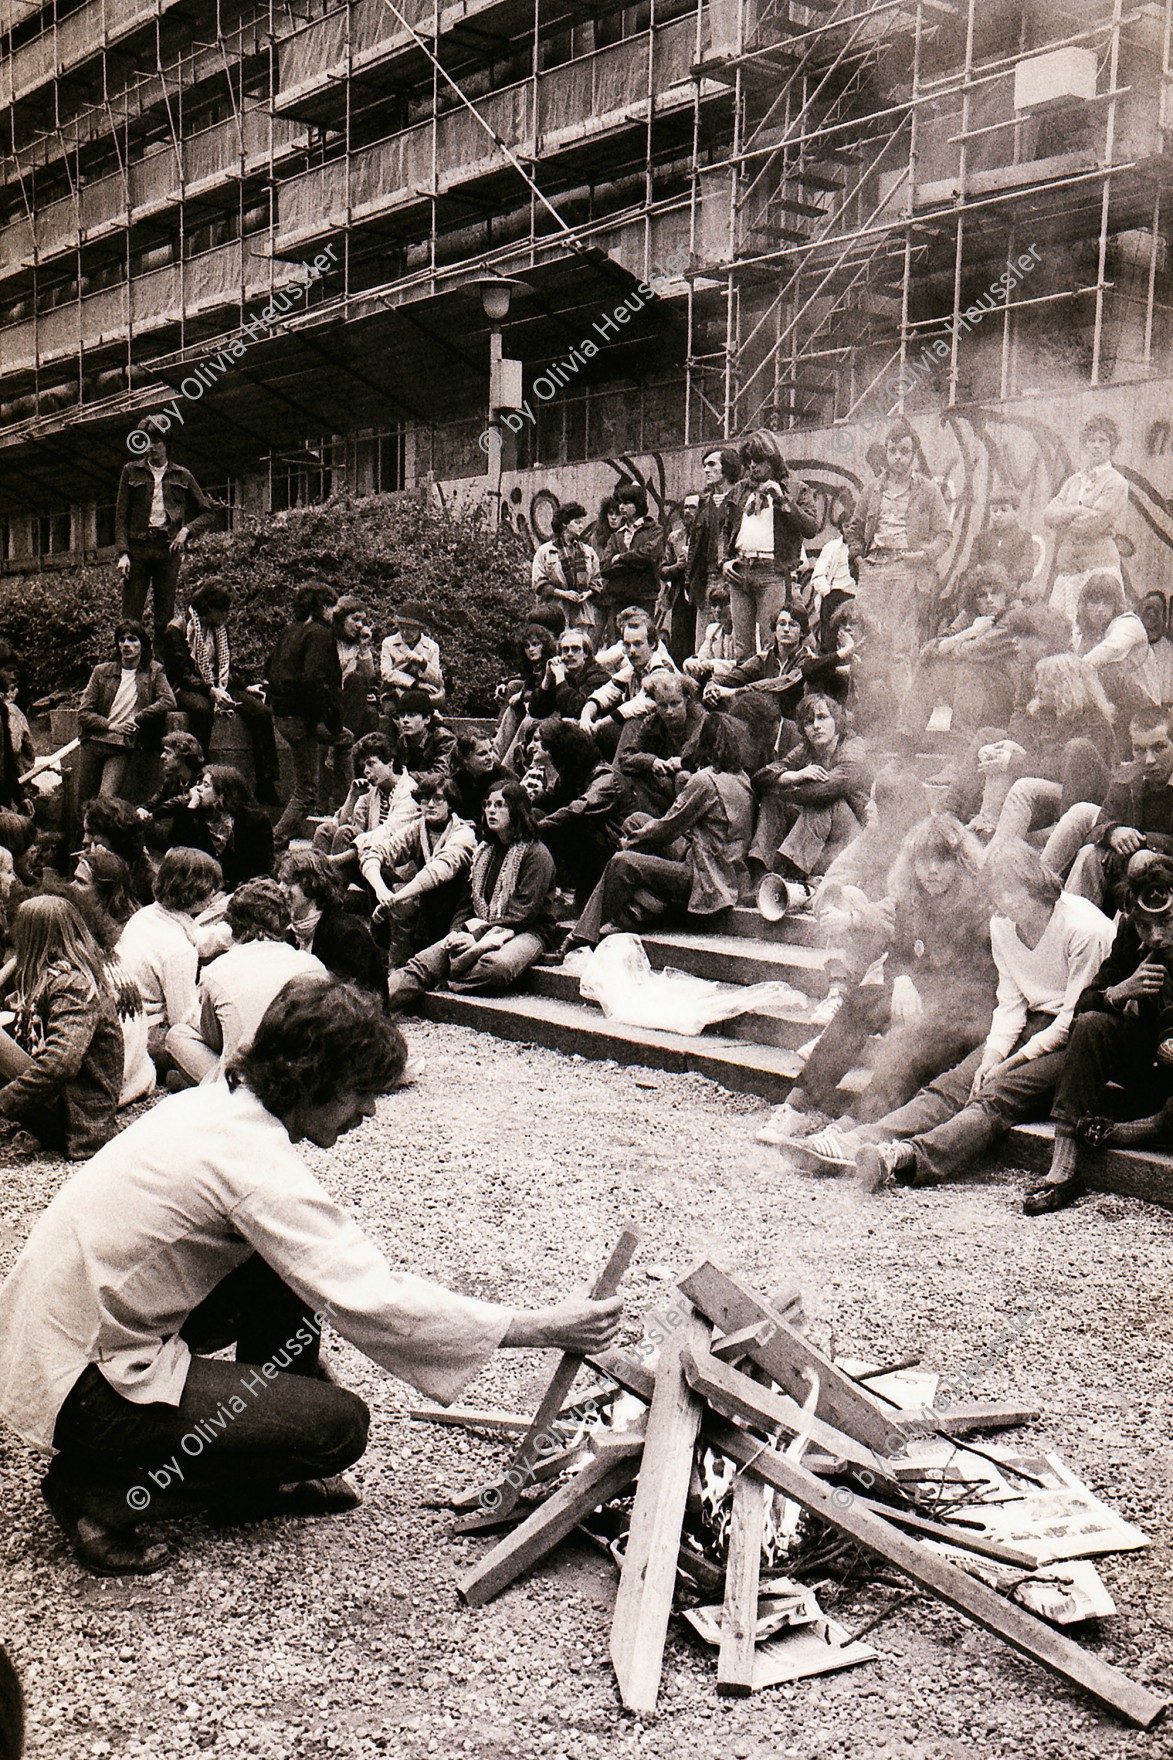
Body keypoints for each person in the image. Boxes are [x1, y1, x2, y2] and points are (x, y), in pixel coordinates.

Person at [0, 973, 623, 1575]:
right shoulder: (252, 1163)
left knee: (282, 1269)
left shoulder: (215, 1103)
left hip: (57, 1338)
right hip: (82, 1379)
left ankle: (251, 1462)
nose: (370, 1111)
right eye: (360, 1091)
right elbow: (372, 1297)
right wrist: (539, 1326)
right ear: (312, 1079)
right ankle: (107, 1493)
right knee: (336, 1428)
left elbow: (323, 1269)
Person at [834, 841, 1116, 1189]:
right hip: (1033, 1021)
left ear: (1034, 881)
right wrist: (993, 1055)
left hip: (1078, 1040)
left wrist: (1009, 1063)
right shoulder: (1002, 925)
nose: (1007, 903)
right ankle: (862, 1138)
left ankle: (904, 1157)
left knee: (995, 1095)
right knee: (957, 1082)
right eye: (998, 894)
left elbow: (1073, 1018)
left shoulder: (1083, 927)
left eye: (1014, 891)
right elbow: (1011, 1003)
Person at [759, 816, 996, 1145]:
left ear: (960, 862)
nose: (931, 870)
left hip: (963, 1020)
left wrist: (928, 1004)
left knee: (908, 1043)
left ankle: (850, 1125)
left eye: (942, 859)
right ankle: (797, 1105)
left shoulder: (977, 909)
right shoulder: (913, 901)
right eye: (923, 860)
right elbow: (899, 956)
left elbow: (980, 986)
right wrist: (901, 981)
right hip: (922, 999)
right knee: (860, 1001)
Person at [564, 714, 752, 950]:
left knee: (622, 861)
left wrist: (629, 843)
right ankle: (642, 904)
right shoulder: (741, 778)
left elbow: (667, 829)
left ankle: (582, 935)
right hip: (723, 868)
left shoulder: (705, 781)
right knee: (636, 820)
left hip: (706, 879)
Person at [386, 783, 557, 1006]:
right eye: (488, 805)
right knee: (422, 962)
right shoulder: (484, 850)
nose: (491, 811)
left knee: (496, 968)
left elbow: (522, 913)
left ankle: (448, 976)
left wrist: (475, 937)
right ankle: (374, 1007)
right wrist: (457, 932)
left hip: (526, 931)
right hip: (481, 926)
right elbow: (467, 903)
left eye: (500, 805)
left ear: (517, 809)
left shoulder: (537, 855)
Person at [165, 879, 326, 1087]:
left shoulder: (216, 971)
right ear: (285, 925)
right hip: (304, 1080)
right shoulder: (313, 965)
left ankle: (199, 1088)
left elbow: (212, 1037)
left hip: (246, 1086)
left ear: (231, 926)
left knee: (177, 1035)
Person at [0, 893, 124, 1161]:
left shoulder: (73, 986)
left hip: (76, 1119)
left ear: (34, 938)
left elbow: (61, 1063)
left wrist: (5, 1100)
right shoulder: (66, 975)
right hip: (70, 1105)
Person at [953, 653, 1115, 845]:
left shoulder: (1094, 722)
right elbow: (1036, 757)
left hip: (1077, 798)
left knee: (1019, 777)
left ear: (1064, 686)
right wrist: (1001, 751)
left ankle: (992, 836)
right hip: (1049, 788)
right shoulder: (1047, 715)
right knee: (1000, 754)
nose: (1037, 688)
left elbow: (1063, 769)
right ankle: (984, 824)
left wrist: (1011, 761)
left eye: (1044, 683)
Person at [845, 418, 952, 662]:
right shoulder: (873, 489)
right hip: (874, 568)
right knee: (863, 639)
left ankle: (901, 701)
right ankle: (864, 699)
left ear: (914, 454)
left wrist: (923, 556)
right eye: (892, 451)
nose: (898, 457)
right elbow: (854, 528)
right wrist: (859, 558)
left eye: (904, 451)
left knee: (902, 645)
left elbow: (944, 534)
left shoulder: (928, 490)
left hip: (907, 568)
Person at [748, 692, 873, 892]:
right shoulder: (806, 749)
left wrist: (784, 787)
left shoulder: (853, 749)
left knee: (825, 803)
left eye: (822, 717)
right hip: (820, 839)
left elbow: (824, 792)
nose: (816, 726)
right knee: (772, 798)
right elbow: (761, 776)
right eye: (808, 721)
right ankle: (761, 870)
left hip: (852, 838)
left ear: (837, 720)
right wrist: (793, 777)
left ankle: (787, 873)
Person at [115, 847, 223, 1063]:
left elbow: (197, 937)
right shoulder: (179, 950)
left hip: (120, 1017)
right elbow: (182, 1019)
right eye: (211, 889)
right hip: (145, 1034)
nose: (214, 896)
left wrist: (229, 935)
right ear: (195, 891)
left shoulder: (145, 915)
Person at [357, 779, 477, 966]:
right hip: (425, 897)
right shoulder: (418, 827)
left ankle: (415, 958)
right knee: (382, 874)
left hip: (455, 905)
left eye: (438, 799)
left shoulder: (464, 834)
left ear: (450, 803)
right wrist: (382, 891)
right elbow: (375, 853)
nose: (430, 804)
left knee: (410, 897)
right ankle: (385, 950)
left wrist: (394, 899)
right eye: (424, 798)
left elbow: (437, 872)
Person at [720, 432, 820, 658]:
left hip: (773, 572)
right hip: (740, 570)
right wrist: (724, 561)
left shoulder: (795, 489)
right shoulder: (740, 489)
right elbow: (724, 530)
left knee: (770, 642)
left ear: (773, 460)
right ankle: (745, 693)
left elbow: (811, 528)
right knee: (741, 647)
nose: (753, 466)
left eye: (759, 460)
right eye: (749, 461)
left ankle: (770, 690)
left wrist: (783, 501)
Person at [114, 435, 217, 643]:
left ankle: (162, 670)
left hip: (168, 550)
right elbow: (121, 514)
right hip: (138, 549)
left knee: (164, 616)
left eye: (156, 442)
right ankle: (128, 668)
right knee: (131, 615)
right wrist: (123, 553)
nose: (151, 447)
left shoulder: (183, 475)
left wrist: (186, 531)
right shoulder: (131, 471)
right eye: (146, 442)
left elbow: (208, 513)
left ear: (166, 446)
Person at [267, 584, 343, 849]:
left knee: (344, 740)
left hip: (283, 716)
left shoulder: (290, 631)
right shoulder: (320, 634)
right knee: (307, 790)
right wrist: (321, 719)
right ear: (322, 607)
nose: (335, 613)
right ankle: (274, 841)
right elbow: (314, 680)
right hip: (301, 719)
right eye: (332, 607)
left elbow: (270, 671)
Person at [532, 718, 633, 907]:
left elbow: (577, 812)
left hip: (616, 849)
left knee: (577, 829)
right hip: (592, 848)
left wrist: (533, 827)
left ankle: (579, 898)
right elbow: (544, 799)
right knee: (537, 813)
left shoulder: (605, 778)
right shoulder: (573, 776)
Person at [1043, 416, 1129, 634]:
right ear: (1084, 444)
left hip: (1097, 567)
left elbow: (1093, 523)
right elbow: (1048, 515)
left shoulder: (1116, 482)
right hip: (1068, 569)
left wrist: (1065, 518)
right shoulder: (1074, 481)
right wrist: (1075, 511)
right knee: (1058, 628)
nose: (1096, 446)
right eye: (1091, 441)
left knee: (1094, 630)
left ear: (1112, 445)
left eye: (1102, 441)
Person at [76, 622, 177, 804]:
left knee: (106, 800)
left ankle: (103, 833)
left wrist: (137, 718)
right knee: (83, 801)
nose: (126, 645)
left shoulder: (154, 671)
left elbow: (168, 701)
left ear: (143, 645)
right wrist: (112, 726)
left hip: (121, 746)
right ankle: (81, 834)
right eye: (121, 640)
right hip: (93, 742)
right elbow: (83, 713)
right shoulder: (102, 672)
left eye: (132, 640)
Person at [278, 849, 388, 1003]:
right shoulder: (290, 931)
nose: (281, 889)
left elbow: (353, 999)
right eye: (281, 881)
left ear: (312, 885)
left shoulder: (348, 935)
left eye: (289, 883)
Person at [701, 604, 814, 743]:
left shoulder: (808, 660)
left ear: (802, 632)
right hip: (765, 722)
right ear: (775, 629)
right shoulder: (765, 658)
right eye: (781, 624)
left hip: (793, 725)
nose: (785, 629)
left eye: (793, 625)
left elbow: (783, 683)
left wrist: (735, 692)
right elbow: (735, 675)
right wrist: (712, 685)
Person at [155, 764, 274, 891]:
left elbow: (261, 868)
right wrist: (191, 806)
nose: (197, 789)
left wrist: (227, 890)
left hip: (243, 888)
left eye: (205, 785)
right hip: (202, 889)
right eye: (199, 783)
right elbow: (177, 847)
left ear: (222, 794)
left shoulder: (254, 821)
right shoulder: (194, 816)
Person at [314, 730, 418, 865]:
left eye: (371, 763)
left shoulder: (409, 790)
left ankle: (329, 882)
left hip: (393, 862)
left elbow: (389, 832)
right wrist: (352, 797)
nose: (366, 771)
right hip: (367, 851)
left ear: (390, 762)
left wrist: (338, 859)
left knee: (346, 833)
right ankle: (314, 880)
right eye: (363, 766)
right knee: (325, 831)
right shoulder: (372, 789)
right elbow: (341, 824)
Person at [580, 614, 677, 754]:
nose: (631, 651)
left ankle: (618, 774)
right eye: (627, 645)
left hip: (669, 739)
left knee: (633, 723)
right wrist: (585, 718)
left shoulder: (661, 668)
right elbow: (605, 693)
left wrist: (600, 724)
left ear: (652, 644)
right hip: (648, 734)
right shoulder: (632, 670)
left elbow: (638, 706)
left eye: (638, 644)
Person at [614, 672, 707, 818]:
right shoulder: (653, 723)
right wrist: (651, 762)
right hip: (665, 788)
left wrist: (683, 762)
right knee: (639, 774)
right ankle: (653, 824)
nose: (669, 711)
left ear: (686, 699)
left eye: (675, 703)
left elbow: (711, 759)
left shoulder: (702, 721)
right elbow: (625, 758)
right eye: (662, 705)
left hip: (695, 788)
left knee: (683, 777)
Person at [1072, 570, 1158, 725]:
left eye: (1106, 603)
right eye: (1094, 602)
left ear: (1116, 605)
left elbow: (1112, 648)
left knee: (1108, 673)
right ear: (1084, 605)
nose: (1100, 609)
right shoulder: (1084, 634)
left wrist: (1074, 669)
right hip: (1107, 707)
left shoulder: (1129, 622)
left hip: (1142, 709)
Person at [686, 448, 742, 648]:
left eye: (712, 464)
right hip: (706, 578)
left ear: (727, 468)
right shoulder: (703, 503)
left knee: (732, 637)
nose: (706, 470)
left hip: (733, 577)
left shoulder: (741, 499)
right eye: (704, 465)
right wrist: (689, 579)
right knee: (703, 641)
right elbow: (694, 546)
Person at [597, 484, 665, 639]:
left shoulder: (653, 529)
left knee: (643, 639)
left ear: (638, 504)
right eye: (620, 502)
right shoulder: (616, 536)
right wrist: (634, 564)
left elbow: (649, 555)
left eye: (627, 503)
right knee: (618, 645)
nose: (622, 507)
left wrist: (621, 558)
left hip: (644, 596)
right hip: (619, 598)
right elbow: (605, 566)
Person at [531, 503, 601, 631]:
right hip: (554, 611)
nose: (581, 525)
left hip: (581, 613)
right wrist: (564, 594)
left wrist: (588, 593)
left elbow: (597, 579)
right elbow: (539, 584)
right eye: (577, 522)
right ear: (565, 524)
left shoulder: (588, 552)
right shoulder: (545, 551)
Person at [526, 628, 611, 724]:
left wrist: (560, 677)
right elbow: (535, 712)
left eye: (575, 649)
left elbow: (574, 710)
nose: (570, 654)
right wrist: (547, 679)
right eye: (565, 650)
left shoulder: (599, 676)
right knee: (528, 721)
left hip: (590, 728)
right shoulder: (562, 673)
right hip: (567, 727)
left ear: (586, 653)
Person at [968, 487, 1039, 591]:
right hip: (985, 591)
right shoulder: (981, 538)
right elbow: (971, 568)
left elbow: (1027, 571)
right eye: (994, 510)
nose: (998, 514)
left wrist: (1005, 577)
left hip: (1011, 591)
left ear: (1016, 511)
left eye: (1004, 510)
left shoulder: (1023, 537)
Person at [378, 602, 446, 710]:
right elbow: (386, 673)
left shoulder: (432, 647)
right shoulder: (389, 643)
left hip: (423, 694)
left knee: (430, 718)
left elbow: (437, 680)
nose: (404, 632)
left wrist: (422, 663)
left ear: (420, 628)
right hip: (395, 692)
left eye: (410, 629)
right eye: (401, 627)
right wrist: (415, 683)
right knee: (393, 715)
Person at [390, 691, 456, 791]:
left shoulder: (444, 739)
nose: (405, 720)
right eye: (402, 715)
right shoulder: (403, 740)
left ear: (427, 719)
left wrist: (405, 778)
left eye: (412, 715)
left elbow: (441, 773)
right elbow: (395, 768)